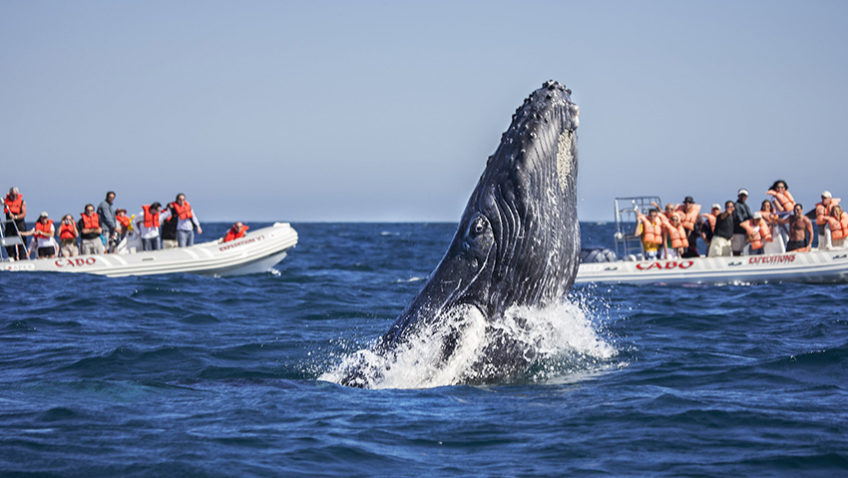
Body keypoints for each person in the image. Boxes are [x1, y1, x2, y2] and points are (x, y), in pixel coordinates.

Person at [3, 186, 28, 260]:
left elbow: (24, 214)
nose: (14, 197)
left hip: (19, 225)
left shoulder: (22, 202)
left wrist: (15, 217)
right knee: (8, 243)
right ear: (9, 194)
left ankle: (22, 259)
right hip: (9, 225)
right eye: (13, 195)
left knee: (21, 243)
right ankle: (12, 257)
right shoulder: (6, 202)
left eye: (16, 195)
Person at [732, 188, 753, 256]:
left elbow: (750, 217)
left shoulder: (746, 206)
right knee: (737, 250)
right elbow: (739, 219)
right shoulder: (736, 205)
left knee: (742, 249)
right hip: (738, 232)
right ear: (738, 196)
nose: (743, 197)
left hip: (744, 232)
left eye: (744, 196)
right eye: (741, 195)